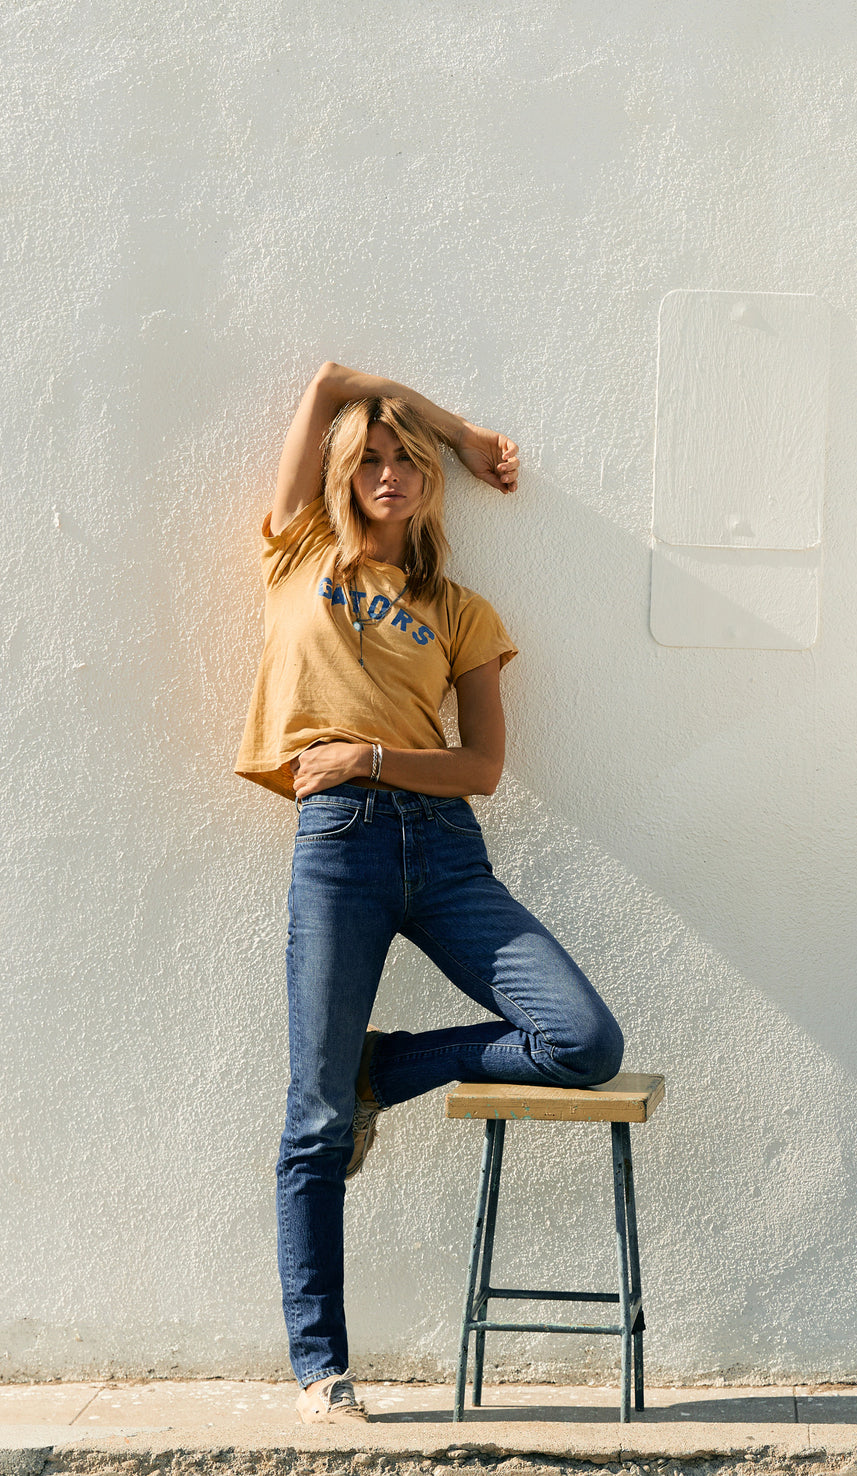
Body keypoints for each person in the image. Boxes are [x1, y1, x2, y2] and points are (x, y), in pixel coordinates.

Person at [235, 362, 625, 1424]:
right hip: (340, 852)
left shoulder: (458, 610)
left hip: (444, 852)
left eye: (407, 459)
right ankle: (322, 1369)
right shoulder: (298, 553)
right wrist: (455, 427)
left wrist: (367, 755)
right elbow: (322, 379)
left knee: (583, 1041)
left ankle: (383, 1069)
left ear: (428, 486)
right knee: (314, 1121)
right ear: (343, 475)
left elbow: (481, 770)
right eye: (371, 457)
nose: (390, 472)